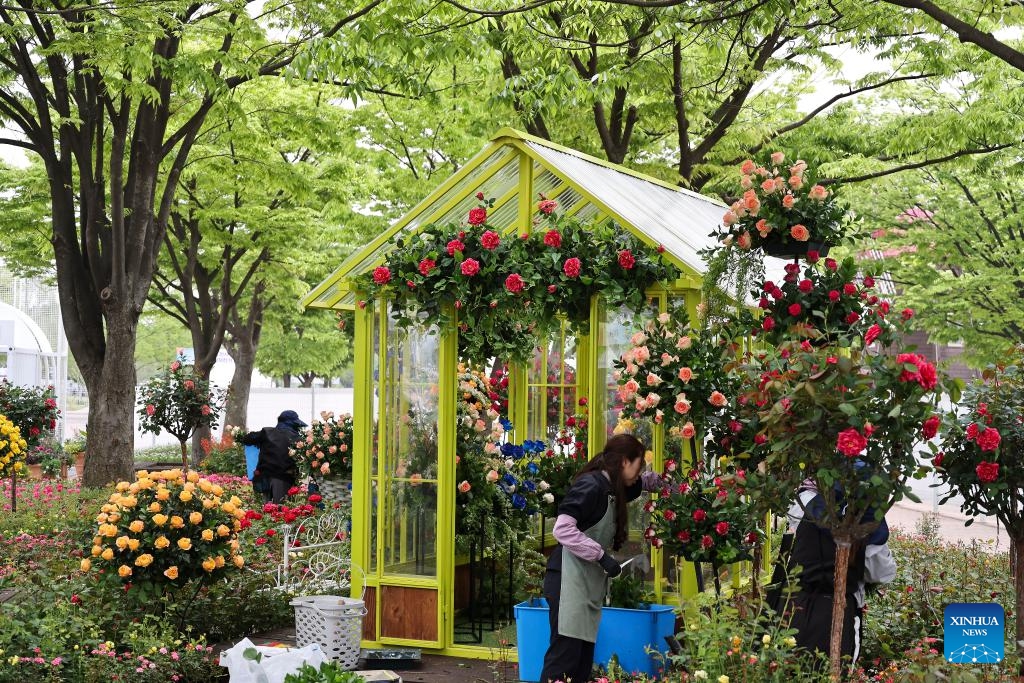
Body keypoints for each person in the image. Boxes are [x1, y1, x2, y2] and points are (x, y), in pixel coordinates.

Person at [539, 433, 662, 683]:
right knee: (564, 660)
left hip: (584, 583)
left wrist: (675, 484)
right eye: (639, 463)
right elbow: (562, 529)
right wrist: (601, 556)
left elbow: (644, 483)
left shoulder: (612, 487)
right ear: (625, 461)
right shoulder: (591, 486)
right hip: (566, 581)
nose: (641, 471)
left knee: (582, 662)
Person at [779, 481, 896, 667]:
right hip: (838, 615)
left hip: (793, 605)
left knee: (788, 668)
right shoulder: (867, 520)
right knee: (832, 669)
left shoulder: (805, 501)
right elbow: (881, 573)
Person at [242, 410, 307, 504]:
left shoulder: (267, 432)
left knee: (267, 509)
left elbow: (247, 439)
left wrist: (260, 442)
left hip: (265, 477)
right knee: (281, 511)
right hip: (284, 478)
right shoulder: (298, 439)